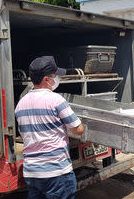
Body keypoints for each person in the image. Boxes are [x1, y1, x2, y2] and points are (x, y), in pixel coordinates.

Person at [15, 56, 84, 199]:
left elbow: (24, 136)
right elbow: (78, 129)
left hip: (32, 173)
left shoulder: (21, 104)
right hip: (56, 173)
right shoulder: (56, 100)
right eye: (55, 76)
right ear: (46, 79)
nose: (57, 78)